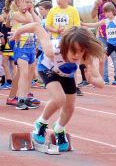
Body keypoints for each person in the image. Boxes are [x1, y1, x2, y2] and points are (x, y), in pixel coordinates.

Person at [10, 22, 105, 152]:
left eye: (81, 51)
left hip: (67, 74)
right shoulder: (52, 50)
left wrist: (92, 80)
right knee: (59, 99)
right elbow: (37, 27)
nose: (77, 55)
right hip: (48, 69)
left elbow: (101, 83)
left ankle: (59, 128)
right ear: (66, 46)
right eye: (74, 51)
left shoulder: (85, 57)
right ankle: (41, 123)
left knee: (70, 108)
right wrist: (18, 32)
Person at [45, 0, 83, 96]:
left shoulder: (73, 10)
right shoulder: (53, 11)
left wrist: (68, 33)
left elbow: (77, 26)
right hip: (56, 41)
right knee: (56, 63)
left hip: (69, 40)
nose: (58, 0)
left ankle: (75, 86)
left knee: (72, 63)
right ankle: (58, 84)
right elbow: (47, 25)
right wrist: (56, 30)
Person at [11, 0, 40, 110]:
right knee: (24, 72)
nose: (29, 4)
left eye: (30, 2)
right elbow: (29, 21)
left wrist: (32, 11)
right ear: (18, 3)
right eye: (27, 2)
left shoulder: (30, 13)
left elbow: (38, 23)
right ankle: (20, 99)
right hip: (21, 47)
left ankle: (27, 97)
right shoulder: (15, 14)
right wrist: (27, 10)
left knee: (29, 73)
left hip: (30, 47)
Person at [89, 0, 116, 86]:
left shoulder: (114, 0)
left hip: (113, 37)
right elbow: (92, 17)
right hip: (102, 35)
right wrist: (95, 6)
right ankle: (104, 78)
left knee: (115, 57)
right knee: (103, 58)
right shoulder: (97, 2)